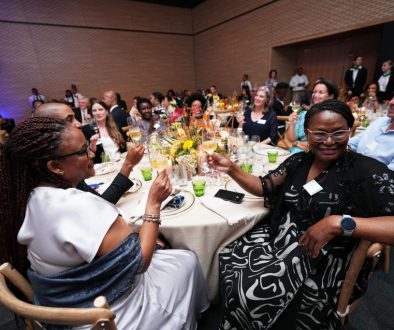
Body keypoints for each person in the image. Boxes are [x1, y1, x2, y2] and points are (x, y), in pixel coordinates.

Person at [0, 117, 209, 330]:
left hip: (66, 308)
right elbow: (141, 262)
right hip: (109, 316)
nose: (92, 155)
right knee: (186, 260)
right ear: (55, 166)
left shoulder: (28, 198)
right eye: (82, 151)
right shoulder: (76, 204)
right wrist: (153, 204)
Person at [208, 99, 394, 330]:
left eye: (338, 133)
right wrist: (232, 169)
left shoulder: (365, 171)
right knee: (226, 256)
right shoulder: (299, 160)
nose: (328, 141)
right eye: (319, 134)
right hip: (279, 239)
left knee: (252, 293)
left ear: (350, 131)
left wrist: (338, 223)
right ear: (307, 133)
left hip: (322, 259)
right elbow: (266, 186)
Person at [33, 102, 138, 204]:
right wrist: (128, 164)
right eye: (69, 120)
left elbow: (102, 203)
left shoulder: (68, 177)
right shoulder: (58, 196)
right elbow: (101, 209)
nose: (78, 123)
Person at [286, 79, 338, 153]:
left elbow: (320, 145)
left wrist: (297, 143)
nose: (316, 95)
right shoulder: (304, 114)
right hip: (295, 152)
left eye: (321, 92)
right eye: (314, 92)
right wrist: (292, 122)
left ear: (331, 96)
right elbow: (291, 139)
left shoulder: (334, 117)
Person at [349, 95, 394, 170]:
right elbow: (352, 144)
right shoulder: (380, 121)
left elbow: (389, 176)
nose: (391, 102)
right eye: (393, 97)